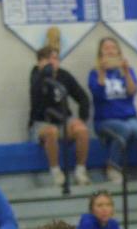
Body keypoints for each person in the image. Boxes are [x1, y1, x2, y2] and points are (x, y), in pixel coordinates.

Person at [88, 37, 137, 182]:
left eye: (113, 47)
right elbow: (98, 94)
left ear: (118, 51)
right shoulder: (94, 73)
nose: (110, 50)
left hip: (128, 116)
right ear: (100, 53)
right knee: (124, 129)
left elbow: (132, 91)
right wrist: (102, 73)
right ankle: (112, 167)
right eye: (106, 48)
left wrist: (127, 72)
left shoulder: (127, 71)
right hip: (105, 120)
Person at [29, 45, 91, 186]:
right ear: (40, 62)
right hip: (42, 123)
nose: (53, 62)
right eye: (48, 59)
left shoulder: (64, 75)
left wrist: (82, 119)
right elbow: (36, 95)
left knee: (81, 130)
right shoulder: (35, 76)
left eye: (56, 59)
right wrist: (45, 73)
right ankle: (56, 173)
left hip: (63, 120)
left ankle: (80, 171)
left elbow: (83, 97)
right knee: (51, 132)